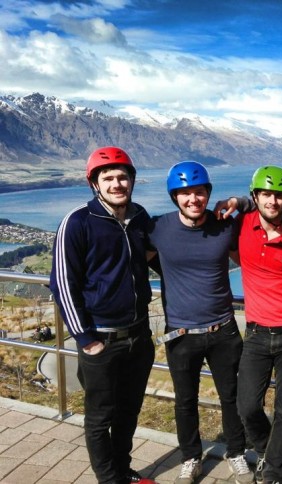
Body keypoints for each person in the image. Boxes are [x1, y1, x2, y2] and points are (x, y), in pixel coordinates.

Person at [50, 146, 157, 484]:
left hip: (138, 337)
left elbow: (159, 259)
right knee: (100, 417)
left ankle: (123, 471)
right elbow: (62, 284)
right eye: (108, 177)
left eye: (122, 177)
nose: (116, 183)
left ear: (132, 181)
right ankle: (109, 479)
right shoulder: (79, 222)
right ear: (94, 183)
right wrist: (85, 339)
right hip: (101, 339)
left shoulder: (140, 218)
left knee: (128, 413)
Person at [147, 161, 252, 484]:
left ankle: (236, 453)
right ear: (174, 196)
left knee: (232, 396)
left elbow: (259, 212)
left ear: (209, 193)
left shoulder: (225, 225)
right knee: (185, 401)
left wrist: (239, 201)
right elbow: (131, 255)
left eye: (199, 192)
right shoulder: (158, 229)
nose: (193, 199)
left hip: (223, 329)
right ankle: (191, 457)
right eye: (185, 193)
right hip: (180, 334)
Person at [235, 166, 282, 484]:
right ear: (255, 197)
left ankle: (273, 470)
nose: (273, 201)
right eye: (266, 194)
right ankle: (270, 450)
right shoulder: (241, 224)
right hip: (256, 332)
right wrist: (234, 202)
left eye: (279, 195)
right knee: (247, 406)